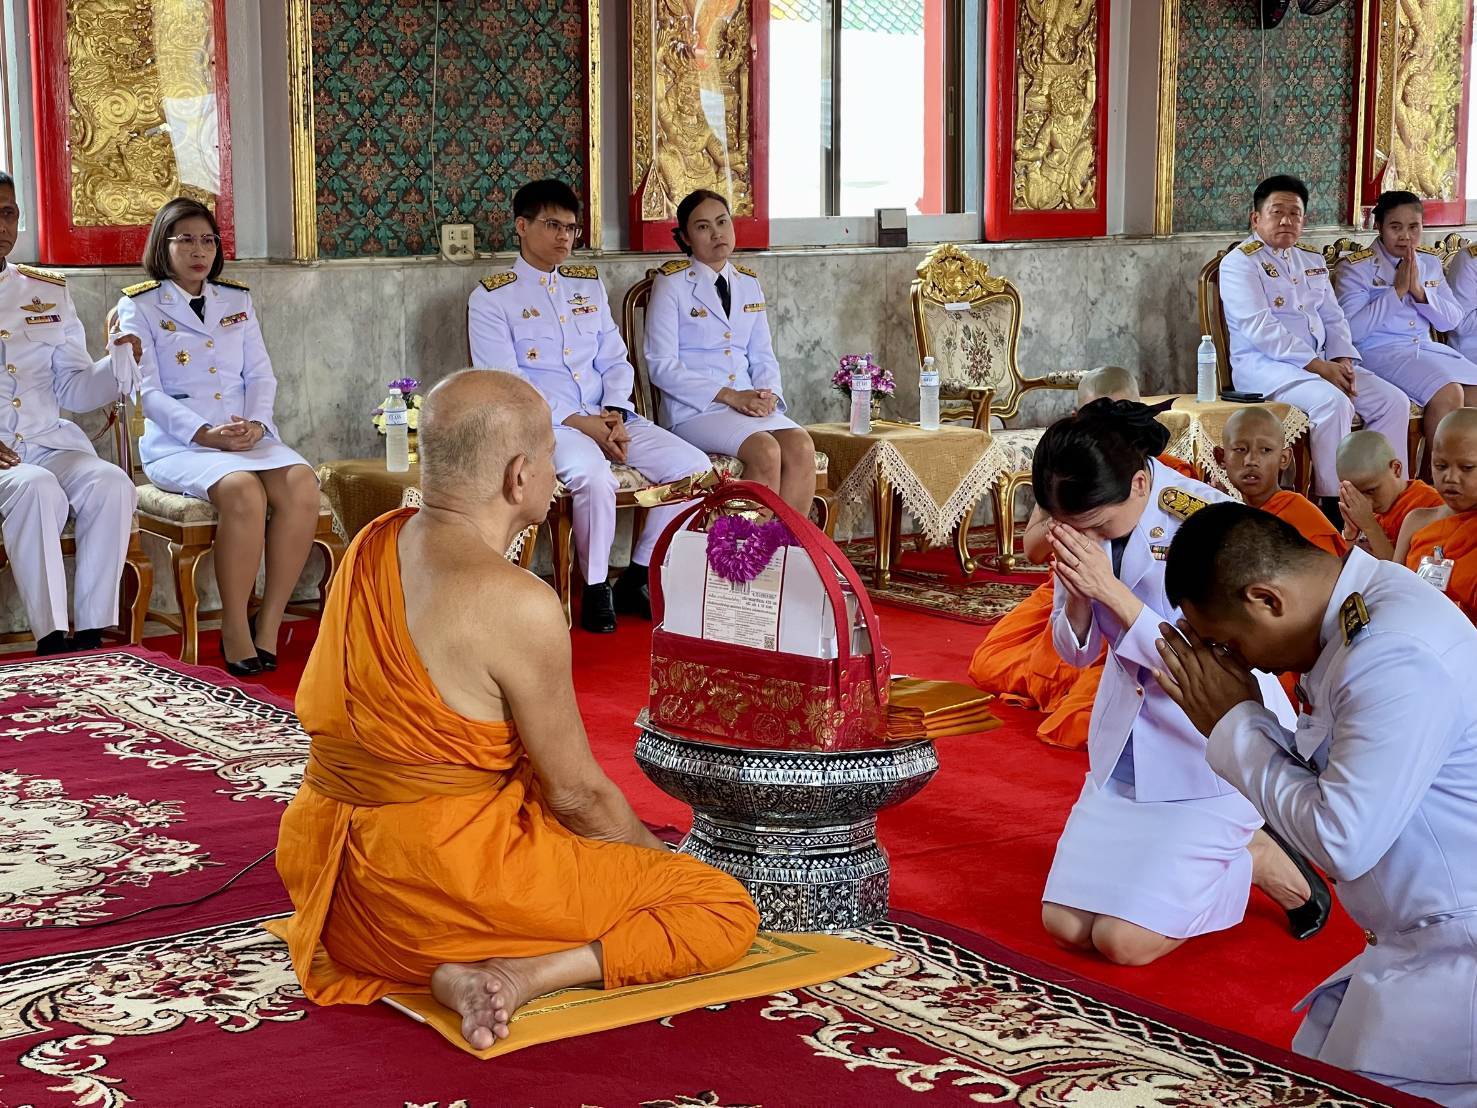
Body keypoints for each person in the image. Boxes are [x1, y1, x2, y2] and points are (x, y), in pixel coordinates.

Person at [274, 370, 759, 1050]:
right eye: (553, 459)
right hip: (440, 888)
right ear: (519, 475)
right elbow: (576, 795)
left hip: (331, 885)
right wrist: (661, 867)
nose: (557, 477)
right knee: (719, 904)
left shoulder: (372, 542)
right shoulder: (518, 602)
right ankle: (525, 971)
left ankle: (452, 971)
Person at [1154, 503, 1477, 1106]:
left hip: (1459, 956)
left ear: (1266, 600)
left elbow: (1341, 840)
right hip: (1419, 942)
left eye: (1228, 642)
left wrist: (1235, 724)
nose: (1237, 661)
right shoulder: (1359, 613)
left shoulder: (1390, 651)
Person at [1032, 400, 1327, 966]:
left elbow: (1205, 663)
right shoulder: (1082, 511)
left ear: (1140, 484)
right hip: (1127, 745)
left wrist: (1108, 590)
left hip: (1208, 747)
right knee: (1065, 926)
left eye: (1098, 526)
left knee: (1124, 943)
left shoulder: (1208, 523)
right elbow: (1075, 653)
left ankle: (1256, 859)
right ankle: (1211, 860)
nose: (1086, 536)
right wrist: (1078, 597)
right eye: (1071, 527)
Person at [467, 179, 711, 633]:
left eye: (571, 228)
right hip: (548, 426)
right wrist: (580, 422)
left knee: (693, 469)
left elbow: (615, 358)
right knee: (593, 476)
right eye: (552, 225)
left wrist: (614, 412)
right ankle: (596, 587)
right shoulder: (492, 297)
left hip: (608, 415)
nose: (564, 237)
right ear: (521, 226)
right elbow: (508, 383)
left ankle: (638, 574)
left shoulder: (587, 286)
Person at [115, 198, 321, 677]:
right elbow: (146, 391)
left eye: (207, 240)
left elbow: (261, 375)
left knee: (302, 485)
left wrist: (257, 425)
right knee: (243, 491)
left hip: (246, 434)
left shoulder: (236, 299)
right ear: (163, 246)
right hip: (181, 444)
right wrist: (205, 434)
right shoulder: (139, 305)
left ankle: (269, 621)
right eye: (185, 240)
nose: (199, 251)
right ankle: (234, 627)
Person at [968, 367, 1197, 750]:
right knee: (991, 661)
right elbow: (1035, 552)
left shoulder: (1182, 499)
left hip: (1164, 657)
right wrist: (1073, 548)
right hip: (1080, 587)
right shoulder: (1069, 481)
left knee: (1083, 715)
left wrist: (1105, 586)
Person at [0, 173, 140, 653]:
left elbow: (74, 388)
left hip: (47, 441)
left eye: (8, 213)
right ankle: (52, 637)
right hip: (6, 461)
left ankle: (92, 632)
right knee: (35, 487)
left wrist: (118, 360)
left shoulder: (46, 292)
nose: (2, 225)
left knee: (111, 483)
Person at [1220, 174, 1410, 517]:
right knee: (1332, 404)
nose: (1286, 221)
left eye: (1294, 214)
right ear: (1256, 218)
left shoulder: (1311, 259)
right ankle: (1335, 506)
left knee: (1393, 401)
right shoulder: (1239, 263)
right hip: (1267, 369)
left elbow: (1333, 317)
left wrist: (1342, 359)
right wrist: (1320, 367)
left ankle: (1389, 501)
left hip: (1322, 365)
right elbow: (1260, 328)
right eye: (1277, 212)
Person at [644, 189, 816, 514]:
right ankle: (742, 545)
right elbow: (661, 365)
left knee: (801, 446)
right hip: (695, 411)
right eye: (703, 227)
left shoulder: (748, 283)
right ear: (685, 237)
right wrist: (730, 396)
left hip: (746, 404)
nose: (716, 233)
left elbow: (762, 354)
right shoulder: (672, 283)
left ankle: (785, 544)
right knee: (765, 450)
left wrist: (768, 396)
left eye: (722, 222)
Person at [1332, 190, 1477, 470]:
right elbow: (1351, 331)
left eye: (1414, 227)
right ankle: (1435, 479)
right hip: (1377, 353)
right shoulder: (1357, 267)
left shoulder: (1428, 262)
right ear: (1379, 226)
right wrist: (1397, 291)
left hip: (1425, 349)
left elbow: (1451, 320)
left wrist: (1420, 292)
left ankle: (1464, 479)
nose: (1405, 236)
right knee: (1449, 393)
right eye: (1395, 227)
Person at [1217, 406, 1346, 557]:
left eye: (1265, 450)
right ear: (1221, 457)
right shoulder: (1229, 511)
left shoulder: (1305, 523)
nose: (1251, 460)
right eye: (1240, 449)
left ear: (1284, 459)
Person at [1394, 408, 1477, 624]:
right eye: (1441, 466)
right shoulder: (1416, 521)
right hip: (1415, 632)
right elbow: (1393, 589)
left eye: (1467, 468)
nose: (1450, 477)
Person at [1335, 428, 1442, 559]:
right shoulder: (1359, 508)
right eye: (1355, 494)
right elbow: (1346, 566)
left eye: (1371, 490)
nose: (1367, 503)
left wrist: (1369, 525)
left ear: (1396, 469)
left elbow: (1402, 570)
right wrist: (1350, 534)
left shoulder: (1430, 506)